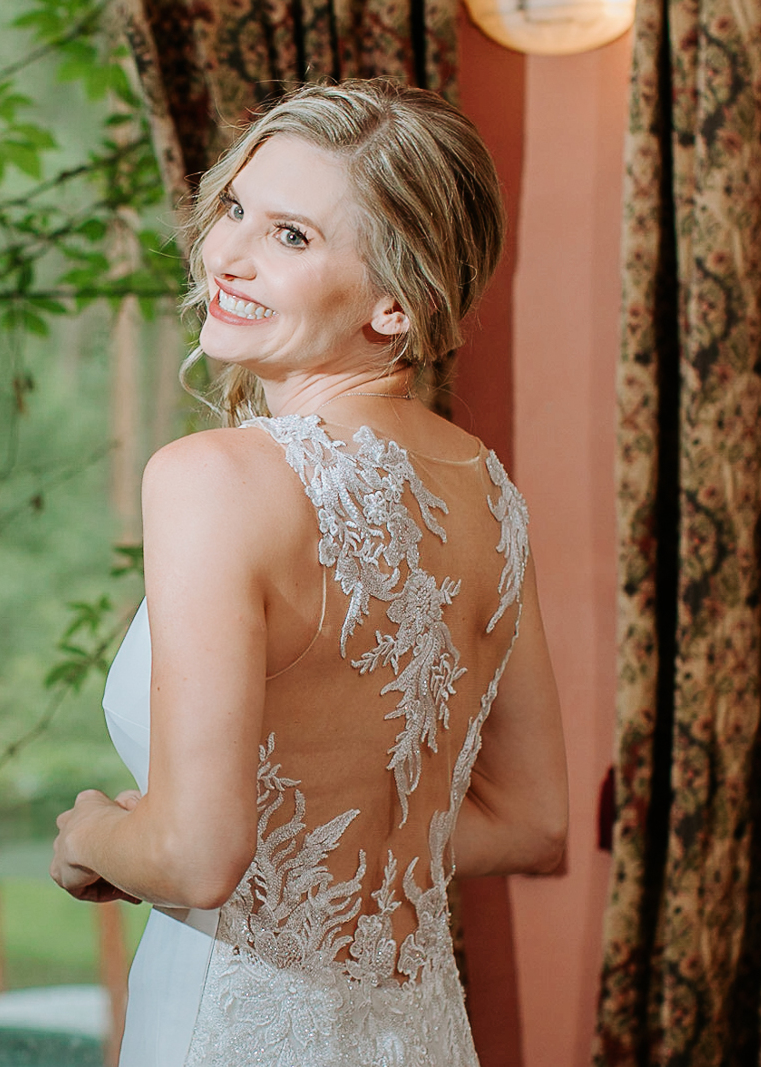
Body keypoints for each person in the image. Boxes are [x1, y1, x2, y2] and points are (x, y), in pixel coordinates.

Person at [50, 78, 568, 1066]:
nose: (227, 257)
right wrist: (350, 858)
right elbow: (532, 820)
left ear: (395, 299)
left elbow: (197, 857)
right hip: (415, 1036)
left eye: (292, 237)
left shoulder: (215, 477)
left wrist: (92, 835)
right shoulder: (486, 493)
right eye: (236, 208)